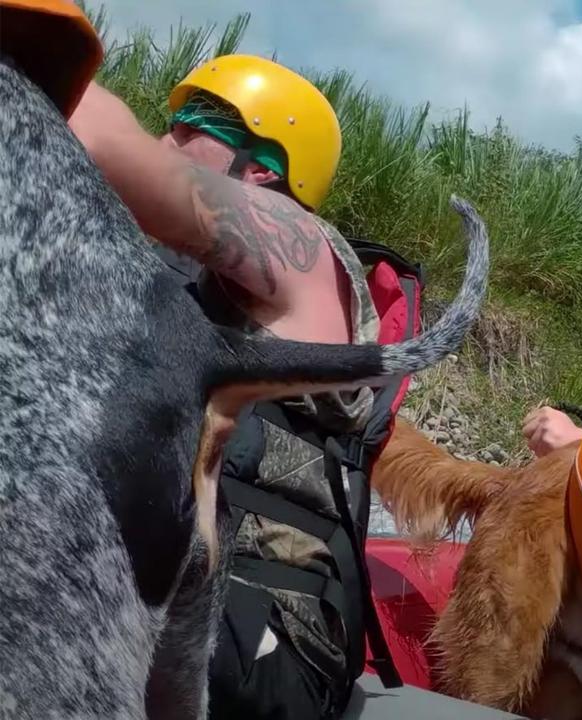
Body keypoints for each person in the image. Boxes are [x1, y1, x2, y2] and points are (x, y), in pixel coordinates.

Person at [69, 54, 405, 719]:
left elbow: (105, 140)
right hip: (157, 601)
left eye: (190, 124)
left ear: (263, 168)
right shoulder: (149, 268)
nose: (167, 139)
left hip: (266, 640)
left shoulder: (308, 254)